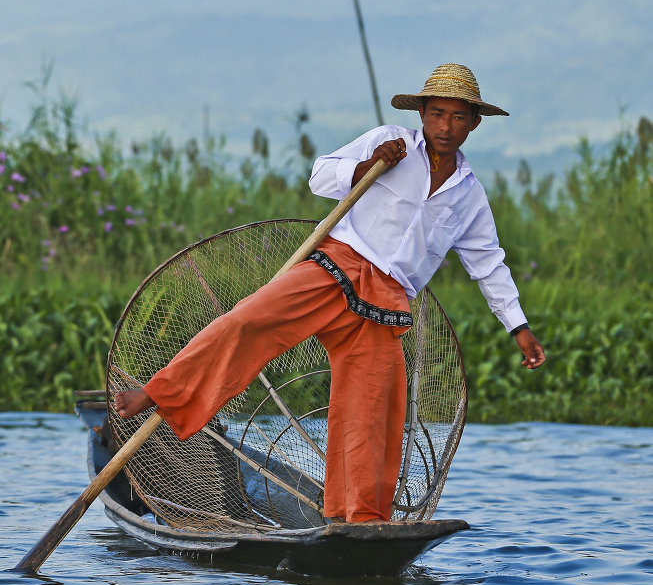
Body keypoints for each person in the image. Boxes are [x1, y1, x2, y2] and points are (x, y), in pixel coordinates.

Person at [113, 63, 546, 523]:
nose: (446, 126)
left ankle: (357, 519)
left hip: (388, 301)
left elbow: (488, 264)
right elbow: (320, 176)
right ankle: (159, 393)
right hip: (337, 268)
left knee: (372, 415)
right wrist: (367, 165)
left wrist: (518, 327)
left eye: (458, 118)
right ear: (421, 112)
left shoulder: (469, 195)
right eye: (437, 113)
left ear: (474, 123)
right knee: (248, 320)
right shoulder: (390, 142)